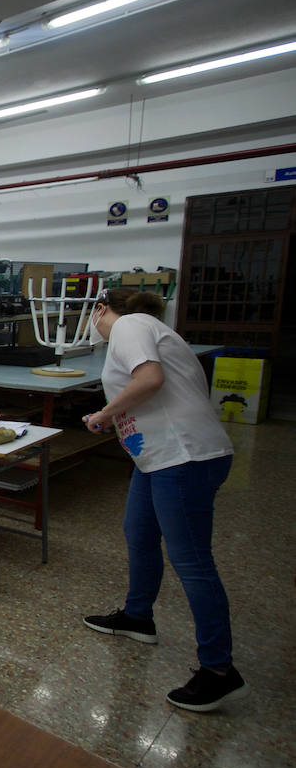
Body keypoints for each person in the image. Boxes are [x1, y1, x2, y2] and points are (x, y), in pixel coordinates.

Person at [80, 288, 244, 712]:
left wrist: (102, 414)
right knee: (138, 532)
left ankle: (219, 670)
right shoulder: (149, 328)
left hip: (184, 457)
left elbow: (149, 379)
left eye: (90, 313)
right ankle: (137, 615)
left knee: (192, 561)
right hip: (157, 458)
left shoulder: (130, 325)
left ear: (101, 308)